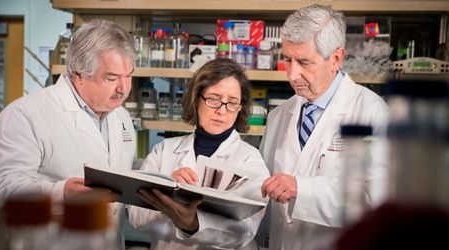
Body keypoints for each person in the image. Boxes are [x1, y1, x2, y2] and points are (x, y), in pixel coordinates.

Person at [0, 20, 136, 249]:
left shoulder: (120, 116)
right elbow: (1, 190)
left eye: (129, 76)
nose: (123, 89)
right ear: (79, 75)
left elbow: (123, 172)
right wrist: (62, 192)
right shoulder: (24, 116)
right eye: (112, 78)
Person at [259, 4, 390, 250]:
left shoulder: (373, 113)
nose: (292, 74)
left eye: (304, 62)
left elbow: (378, 204)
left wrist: (303, 189)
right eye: (287, 59)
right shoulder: (278, 116)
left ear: (336, 58)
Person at [128, 58, 269, 250]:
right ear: (196, 98)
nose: (222, 110)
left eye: (232, 102)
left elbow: (244, 232)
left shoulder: (249, 160)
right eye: (214, 99)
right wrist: (169, 195)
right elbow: (136, 217)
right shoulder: (164, 151)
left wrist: (193, 223)